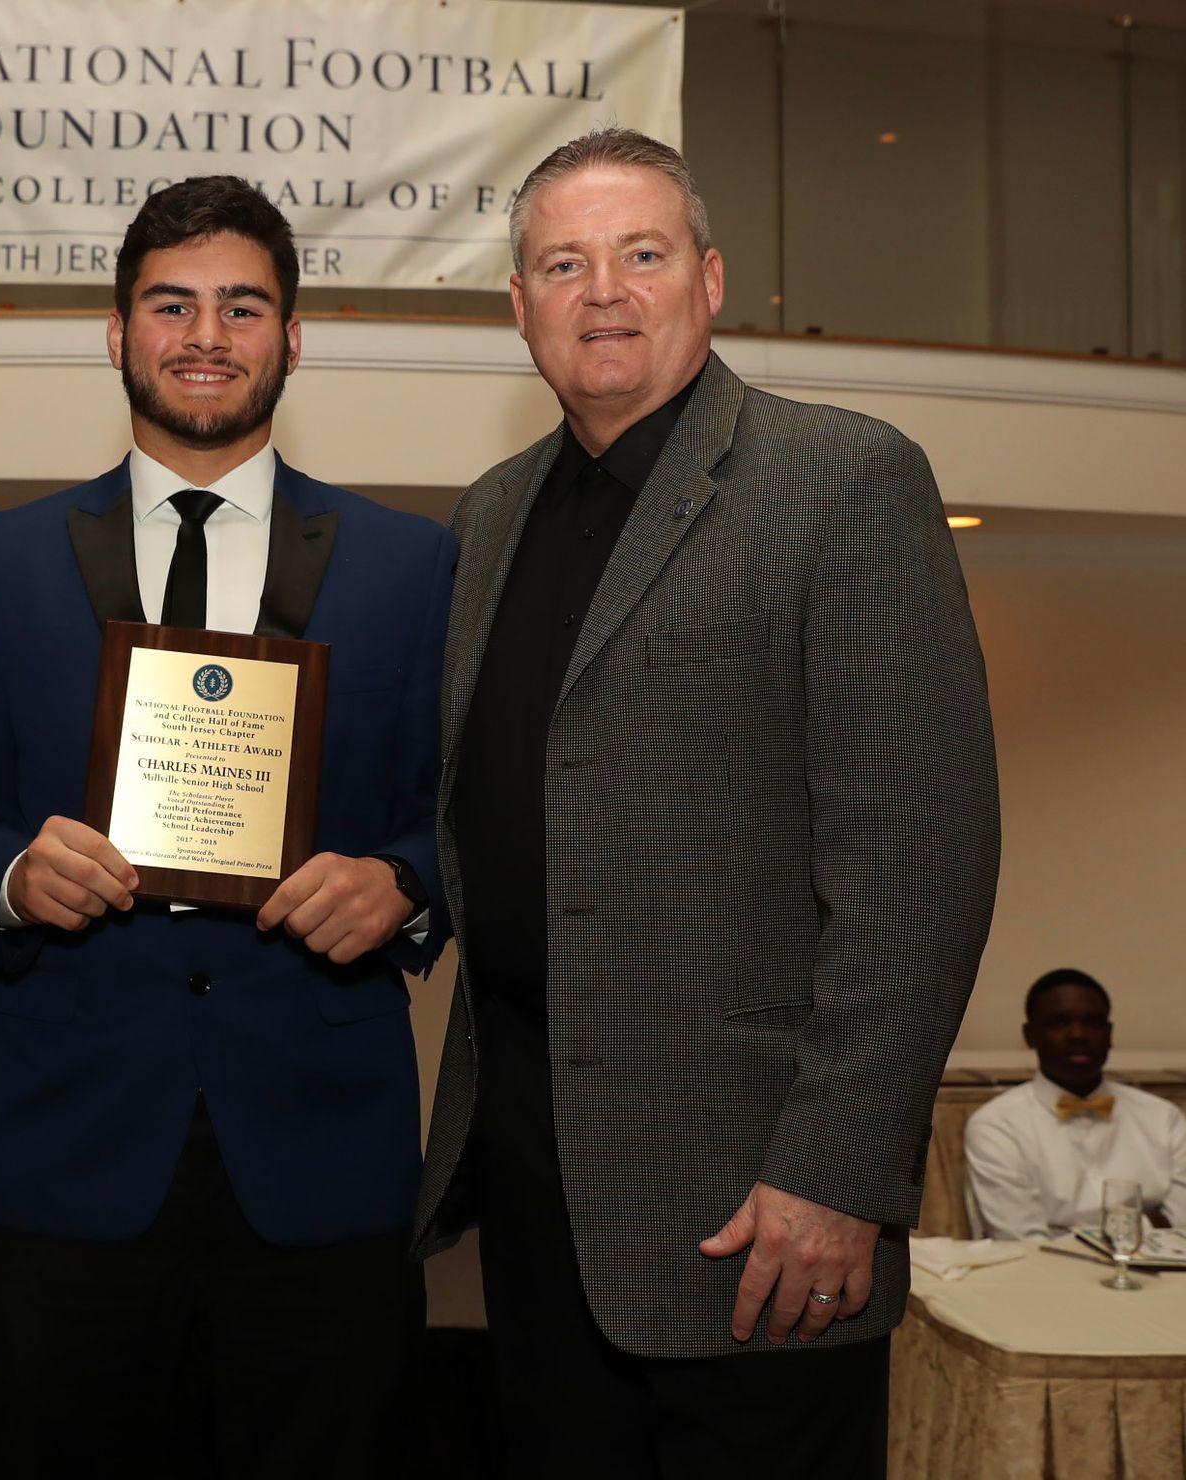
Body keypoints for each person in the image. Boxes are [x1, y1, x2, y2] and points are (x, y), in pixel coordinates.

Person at [412, 127, 1002, 1477]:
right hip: (538, 1190)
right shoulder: (490, 515)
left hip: (757, 1207)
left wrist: (841, 1170)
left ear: (711, 278)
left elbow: (916, 868)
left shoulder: (839, 481)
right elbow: (493, 814)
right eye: (562, 263)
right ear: (518, 306)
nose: (602, 291)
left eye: (640, 254)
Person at [0, 175, 453, 1478]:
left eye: (242, 305)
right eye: (171, 303)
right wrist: (8, 874)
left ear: (292, 338)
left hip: (325, 1161)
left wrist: (405, 885)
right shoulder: (1, 556)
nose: (205, 333)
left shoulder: (411, 561)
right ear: (117, 332)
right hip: (68, 1158)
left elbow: (466, 819)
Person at [965, 968, 1186, 1240]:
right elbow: (1021, 1240)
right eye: (1058, 1023)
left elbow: (1182, 1228)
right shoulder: (996, 1125)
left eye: (1093, 1023)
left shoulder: (1164, 1118)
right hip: (1041, 1280)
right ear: (1029, 1035)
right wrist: (1146, 1222)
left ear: (1109, 1033)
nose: (1077, 1034)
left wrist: (1066, 1233)